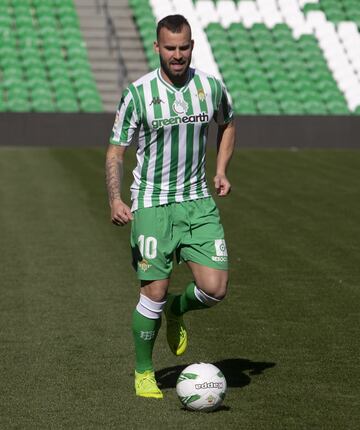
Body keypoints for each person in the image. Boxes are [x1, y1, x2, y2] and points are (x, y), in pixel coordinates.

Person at [105, 14, 235, 399]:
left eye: (184, 48)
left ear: (191, 46)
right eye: (170, 48)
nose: (177, 55)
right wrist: (115, 197)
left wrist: (222, 169)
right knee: (153, 294)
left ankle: (180, 307)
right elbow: (116, 151)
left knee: (215, 289)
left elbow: (227, 123)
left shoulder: (211, 87)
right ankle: (144, 371)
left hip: (197, 202)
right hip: (152, 205)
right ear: (157, 47)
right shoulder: (138, 94)